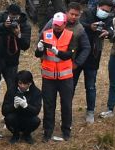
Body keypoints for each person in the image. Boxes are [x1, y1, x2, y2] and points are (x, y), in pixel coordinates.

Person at [36, 12, 83, 142]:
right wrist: (39, 49)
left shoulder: (70, 35)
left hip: (65, 77)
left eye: (59, 25)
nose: (56, 27)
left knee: (66, 104)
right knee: (48, 104)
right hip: (49, 77)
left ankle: (66, 130)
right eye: (55, 25)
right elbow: (37, 54)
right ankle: (47, 131)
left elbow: (70, 55)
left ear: (64, 24)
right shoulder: (46, 34)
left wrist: (57, 52)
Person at [79, 0, 115, 124]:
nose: (104, 13)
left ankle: (90, 111)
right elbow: (79, 24)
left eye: (107, 11)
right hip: (79, 53)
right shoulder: (87, 13)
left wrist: (108, 33)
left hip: (94, 54)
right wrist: (90, 26)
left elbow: (112, 30)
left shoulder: (108, 18)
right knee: (71, 85)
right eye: (103, 10)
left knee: (90, 85)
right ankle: (66, 112)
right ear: (98, 6)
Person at [3, 69, 43, 141]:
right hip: (15, 117)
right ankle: (15, 134)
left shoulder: (36, 92)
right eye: (20, 83)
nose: (22, 86)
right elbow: (4, 111)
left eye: (25, 84)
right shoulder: (11, 90)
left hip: (28, 118)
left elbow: (36, 111)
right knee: (8, 118)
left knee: (36, 121)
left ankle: (27, 134)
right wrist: (14, 106)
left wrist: (26, 106)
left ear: (30, 83)